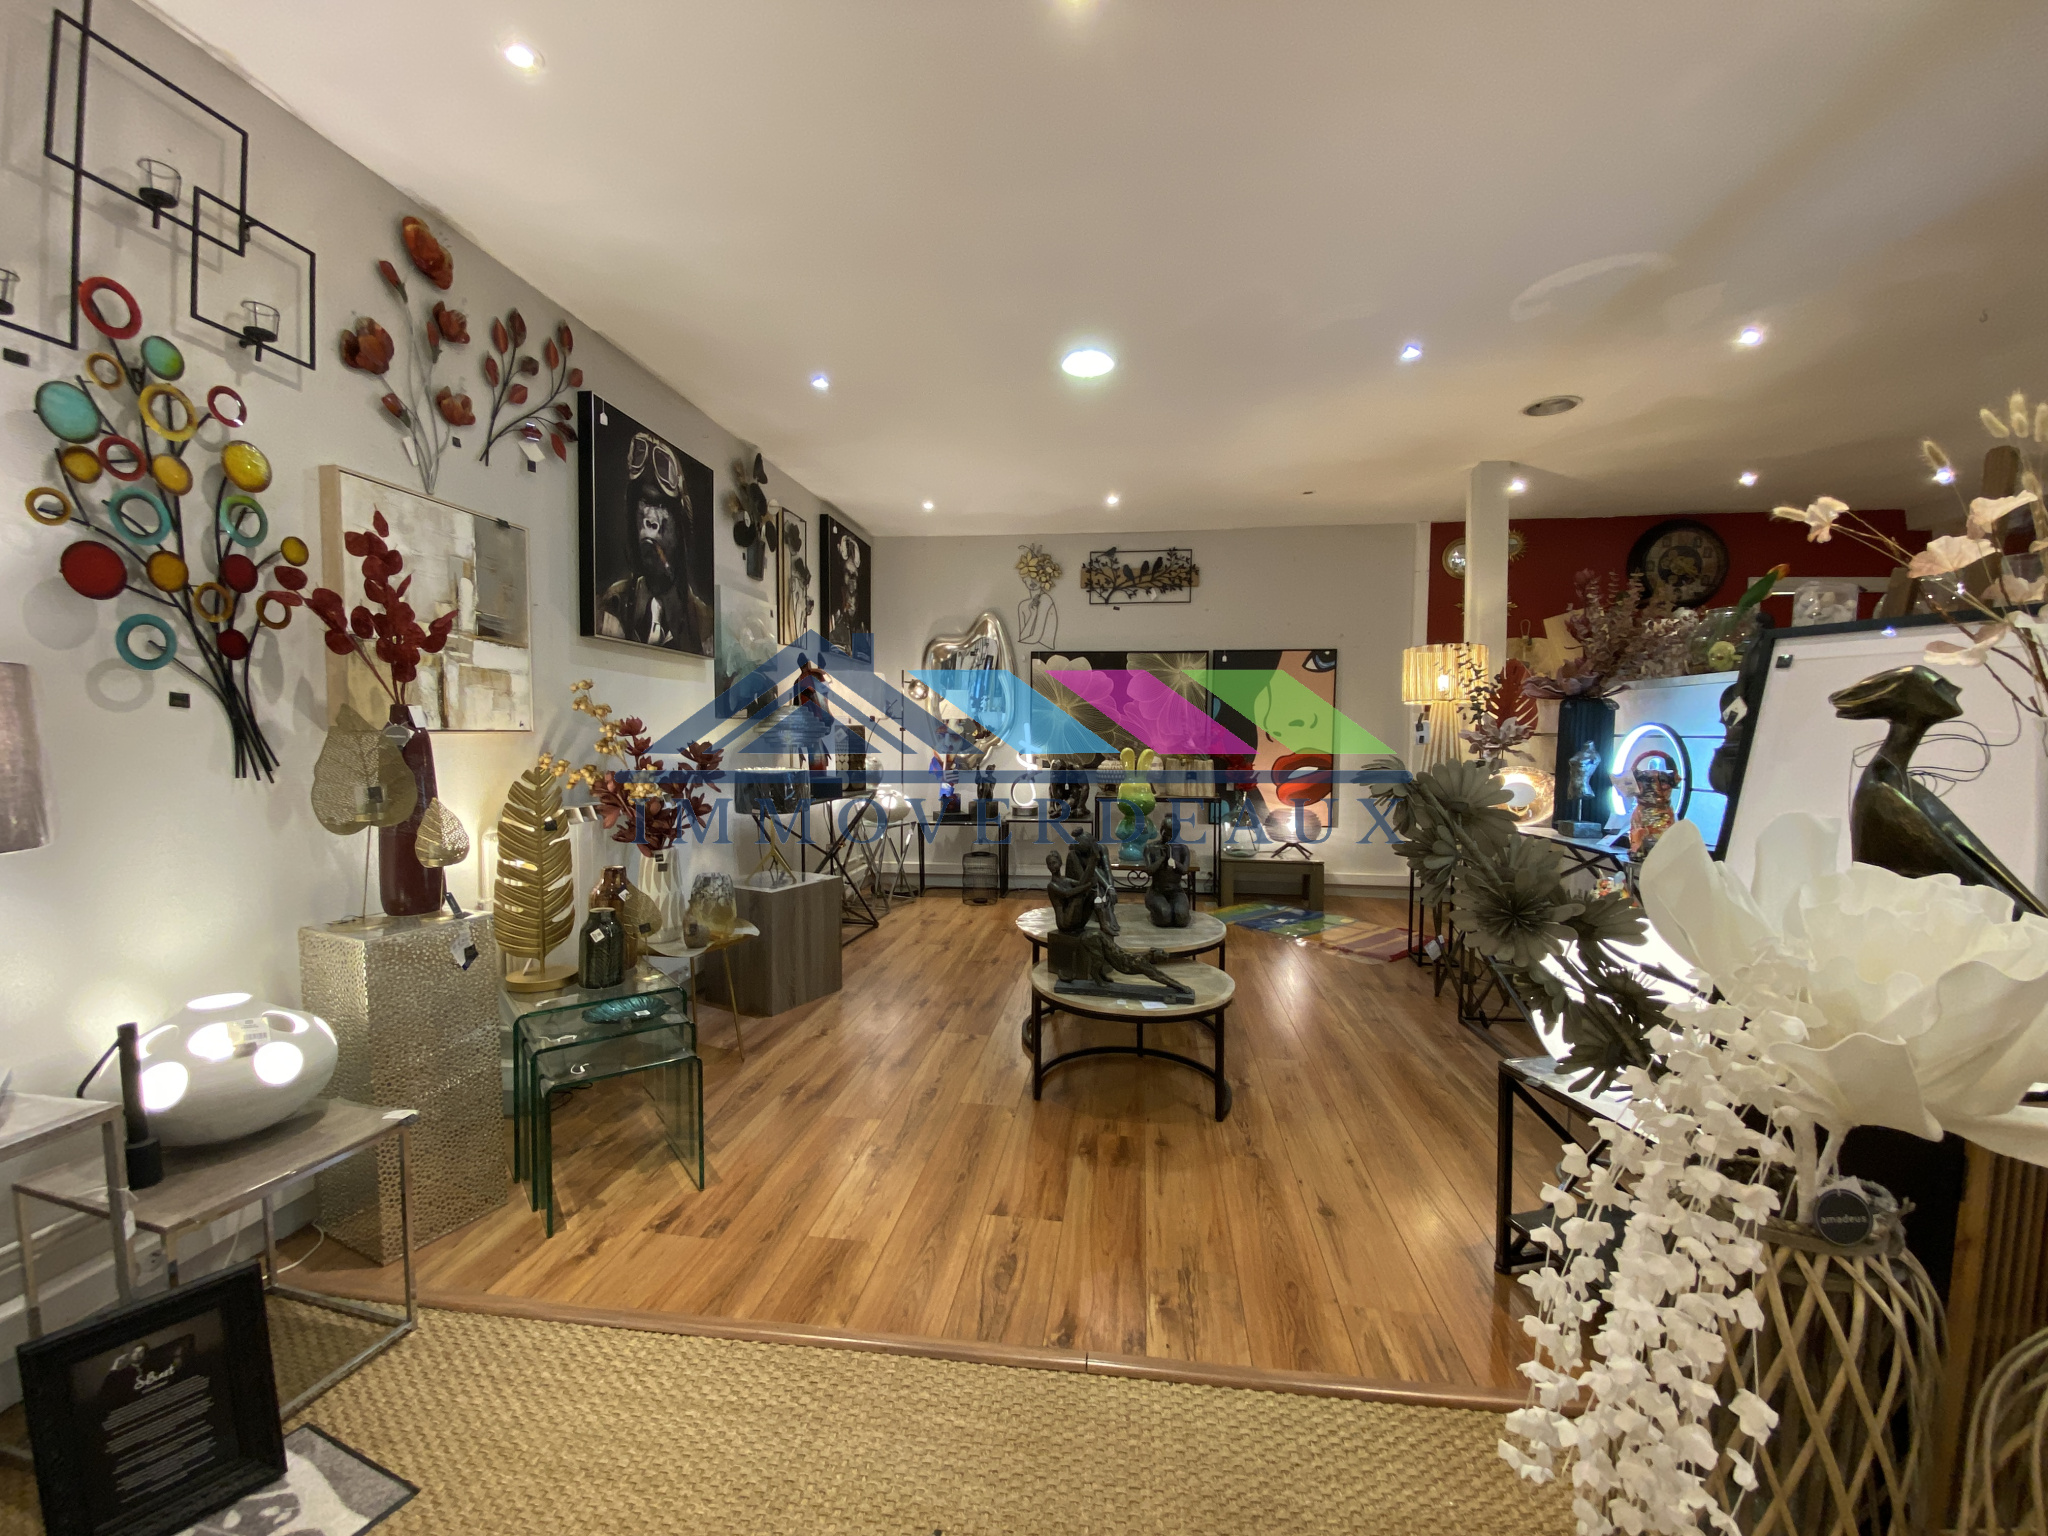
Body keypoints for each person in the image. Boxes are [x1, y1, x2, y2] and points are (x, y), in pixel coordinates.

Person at [597, 431, 711, 653]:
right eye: (643, 502)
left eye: (661, 505)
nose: (650, 519)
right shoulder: (611, 605)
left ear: (680, 525)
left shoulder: (704, 623)